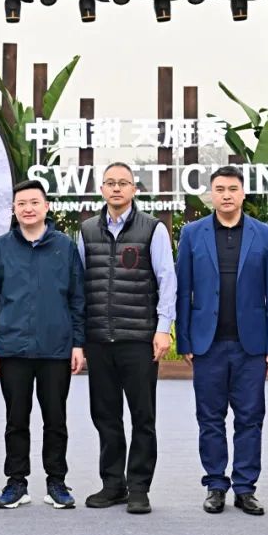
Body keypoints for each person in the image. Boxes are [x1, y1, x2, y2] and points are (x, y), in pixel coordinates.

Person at [176, 165, 268, 516]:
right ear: (211, 194)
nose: (226, 195)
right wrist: (184, 340)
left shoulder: (264, 234)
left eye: (232, 189)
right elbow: (183, 290)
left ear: (243, 193)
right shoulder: (192, 234)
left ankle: (245, 488)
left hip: (250, 346)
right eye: (220, 189)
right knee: (209, 418)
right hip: (206, 344)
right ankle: (215, 485)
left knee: (250, 418)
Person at [77, 161, 177, 515]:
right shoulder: (87, 230)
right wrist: (79, 336)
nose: (116, 188)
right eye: (110, 183)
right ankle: (112, 485)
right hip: (99, 339)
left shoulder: (153, 229)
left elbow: (167, 279)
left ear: (134, 189)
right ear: (102, 189)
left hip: (139, 338)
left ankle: (139, 487)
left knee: (142, 417)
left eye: (123, 183)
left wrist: (163, 328)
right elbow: (80, 284)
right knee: (105, 415)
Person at [0, 180, 86, 510]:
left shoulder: (65, 247)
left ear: (46, 207)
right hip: (12, 346)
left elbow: (77, 297)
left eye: (34, 202)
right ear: (14, 209)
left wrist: (78, 343)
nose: (28, 208)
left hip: (56, 348)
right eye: (21, 203)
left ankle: (57, 482)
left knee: (56, 419)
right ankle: (16, 482)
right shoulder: (0, 248)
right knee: (16, 419)